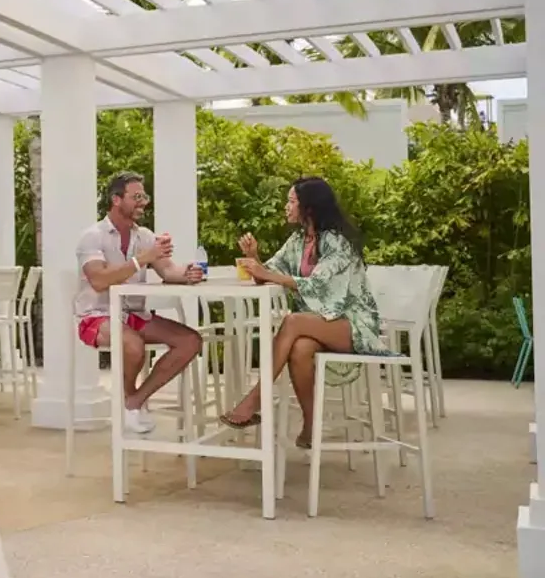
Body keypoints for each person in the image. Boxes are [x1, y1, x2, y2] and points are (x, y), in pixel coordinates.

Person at [218, 177, 388, 448]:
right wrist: (254, 258)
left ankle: (254, 400)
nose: (286, 206)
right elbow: (270, 274)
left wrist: (265, 273)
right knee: (299, 348)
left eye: (291, 201)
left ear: (309, 207)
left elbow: (318, 284)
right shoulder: (298, 240)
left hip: (354, 325)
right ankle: (311, 424)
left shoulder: (336, 242)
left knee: (293, 322)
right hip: (321, 324)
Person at [75, 172, 205, 434]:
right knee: (132, 344)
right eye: (136, 197)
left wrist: (187, 273)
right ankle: (129, 402)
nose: (143, 202)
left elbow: (168, 270)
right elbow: (99, 280)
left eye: (144, 196)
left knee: (191, 341)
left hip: (134, 314)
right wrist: (141, 260)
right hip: (96, 316)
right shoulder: (92, 236)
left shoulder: (144, 236)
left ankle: (133, 401)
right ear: (116, 199)